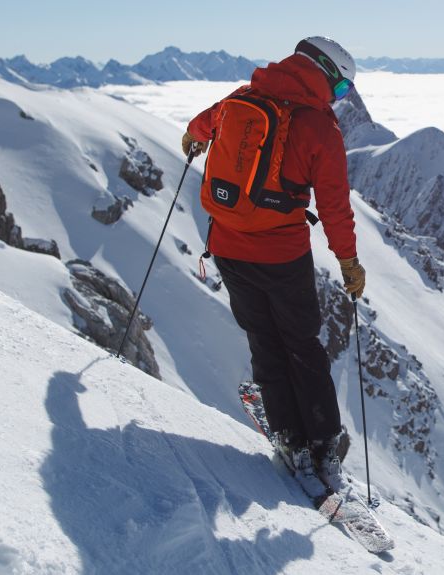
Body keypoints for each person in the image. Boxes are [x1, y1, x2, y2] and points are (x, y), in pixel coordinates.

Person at [181, 36, 366, 494]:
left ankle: (288, 439)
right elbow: (335, 206)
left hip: (228, 248)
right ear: (326, 75)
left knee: (264, 341)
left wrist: (193, 138)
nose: (341, 98)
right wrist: (348, 261)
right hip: (282, 254)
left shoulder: (244, 98)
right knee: (301, 345)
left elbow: (201, 125)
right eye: (342, 88)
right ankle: (323, 447)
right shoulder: (319, 127)